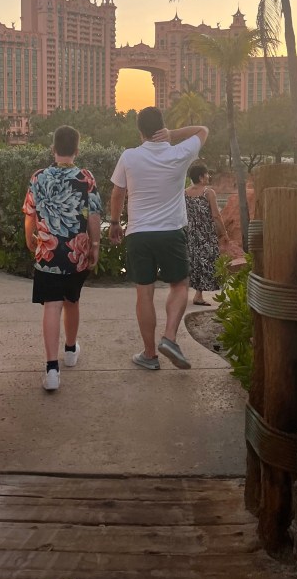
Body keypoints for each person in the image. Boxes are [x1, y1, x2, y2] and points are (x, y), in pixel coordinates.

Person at [109, 106, 209, 371]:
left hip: (138, 234)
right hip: (171, 232)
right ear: (161, 127)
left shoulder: (129, 157)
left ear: (139, 131)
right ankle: (170, 338)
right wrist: (173, 134)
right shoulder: (178, 153)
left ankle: (150, 355)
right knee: (180, 284)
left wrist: (115, 223)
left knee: (144, 292)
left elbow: (118, 193)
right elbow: (203, 130)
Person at [23, 125, 102, 392]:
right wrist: (95, 245)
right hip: (75, 253)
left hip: (47, 252)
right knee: (72, 301)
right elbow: (94, 215)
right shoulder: (85, 177)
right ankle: (70, 351)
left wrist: (29, 238)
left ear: (53, 148)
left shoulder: (38, 177)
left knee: (51, 306)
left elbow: (30, 214)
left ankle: (52, 370)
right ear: (77, 150)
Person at [185, 161, 225, 306]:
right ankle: (198, 296)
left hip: (191, 232)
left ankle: (196, 293)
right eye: (207, 174)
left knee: (195, 261)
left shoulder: (185, 193)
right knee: (207, 261)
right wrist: (224, 232)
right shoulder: (208, 192)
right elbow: (216, 215)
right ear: (201, 177)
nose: (209, 176)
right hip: (206, 233)